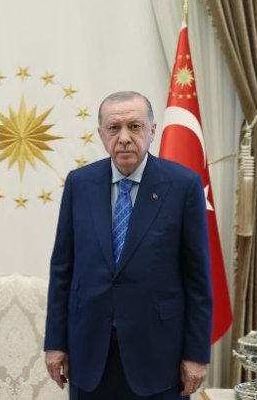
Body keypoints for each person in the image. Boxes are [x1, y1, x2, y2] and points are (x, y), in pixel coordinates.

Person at [43, 91, 212, 400]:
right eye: (114, 128)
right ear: (100, 134)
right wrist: (55, 343)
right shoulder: (80, 183)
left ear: (152, 131)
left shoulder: (183, 186)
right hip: (89, 354)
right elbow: (63, 271)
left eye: (134, 127)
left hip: (159, 356)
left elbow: (198, 279)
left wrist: (196, 353)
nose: (124, 138)